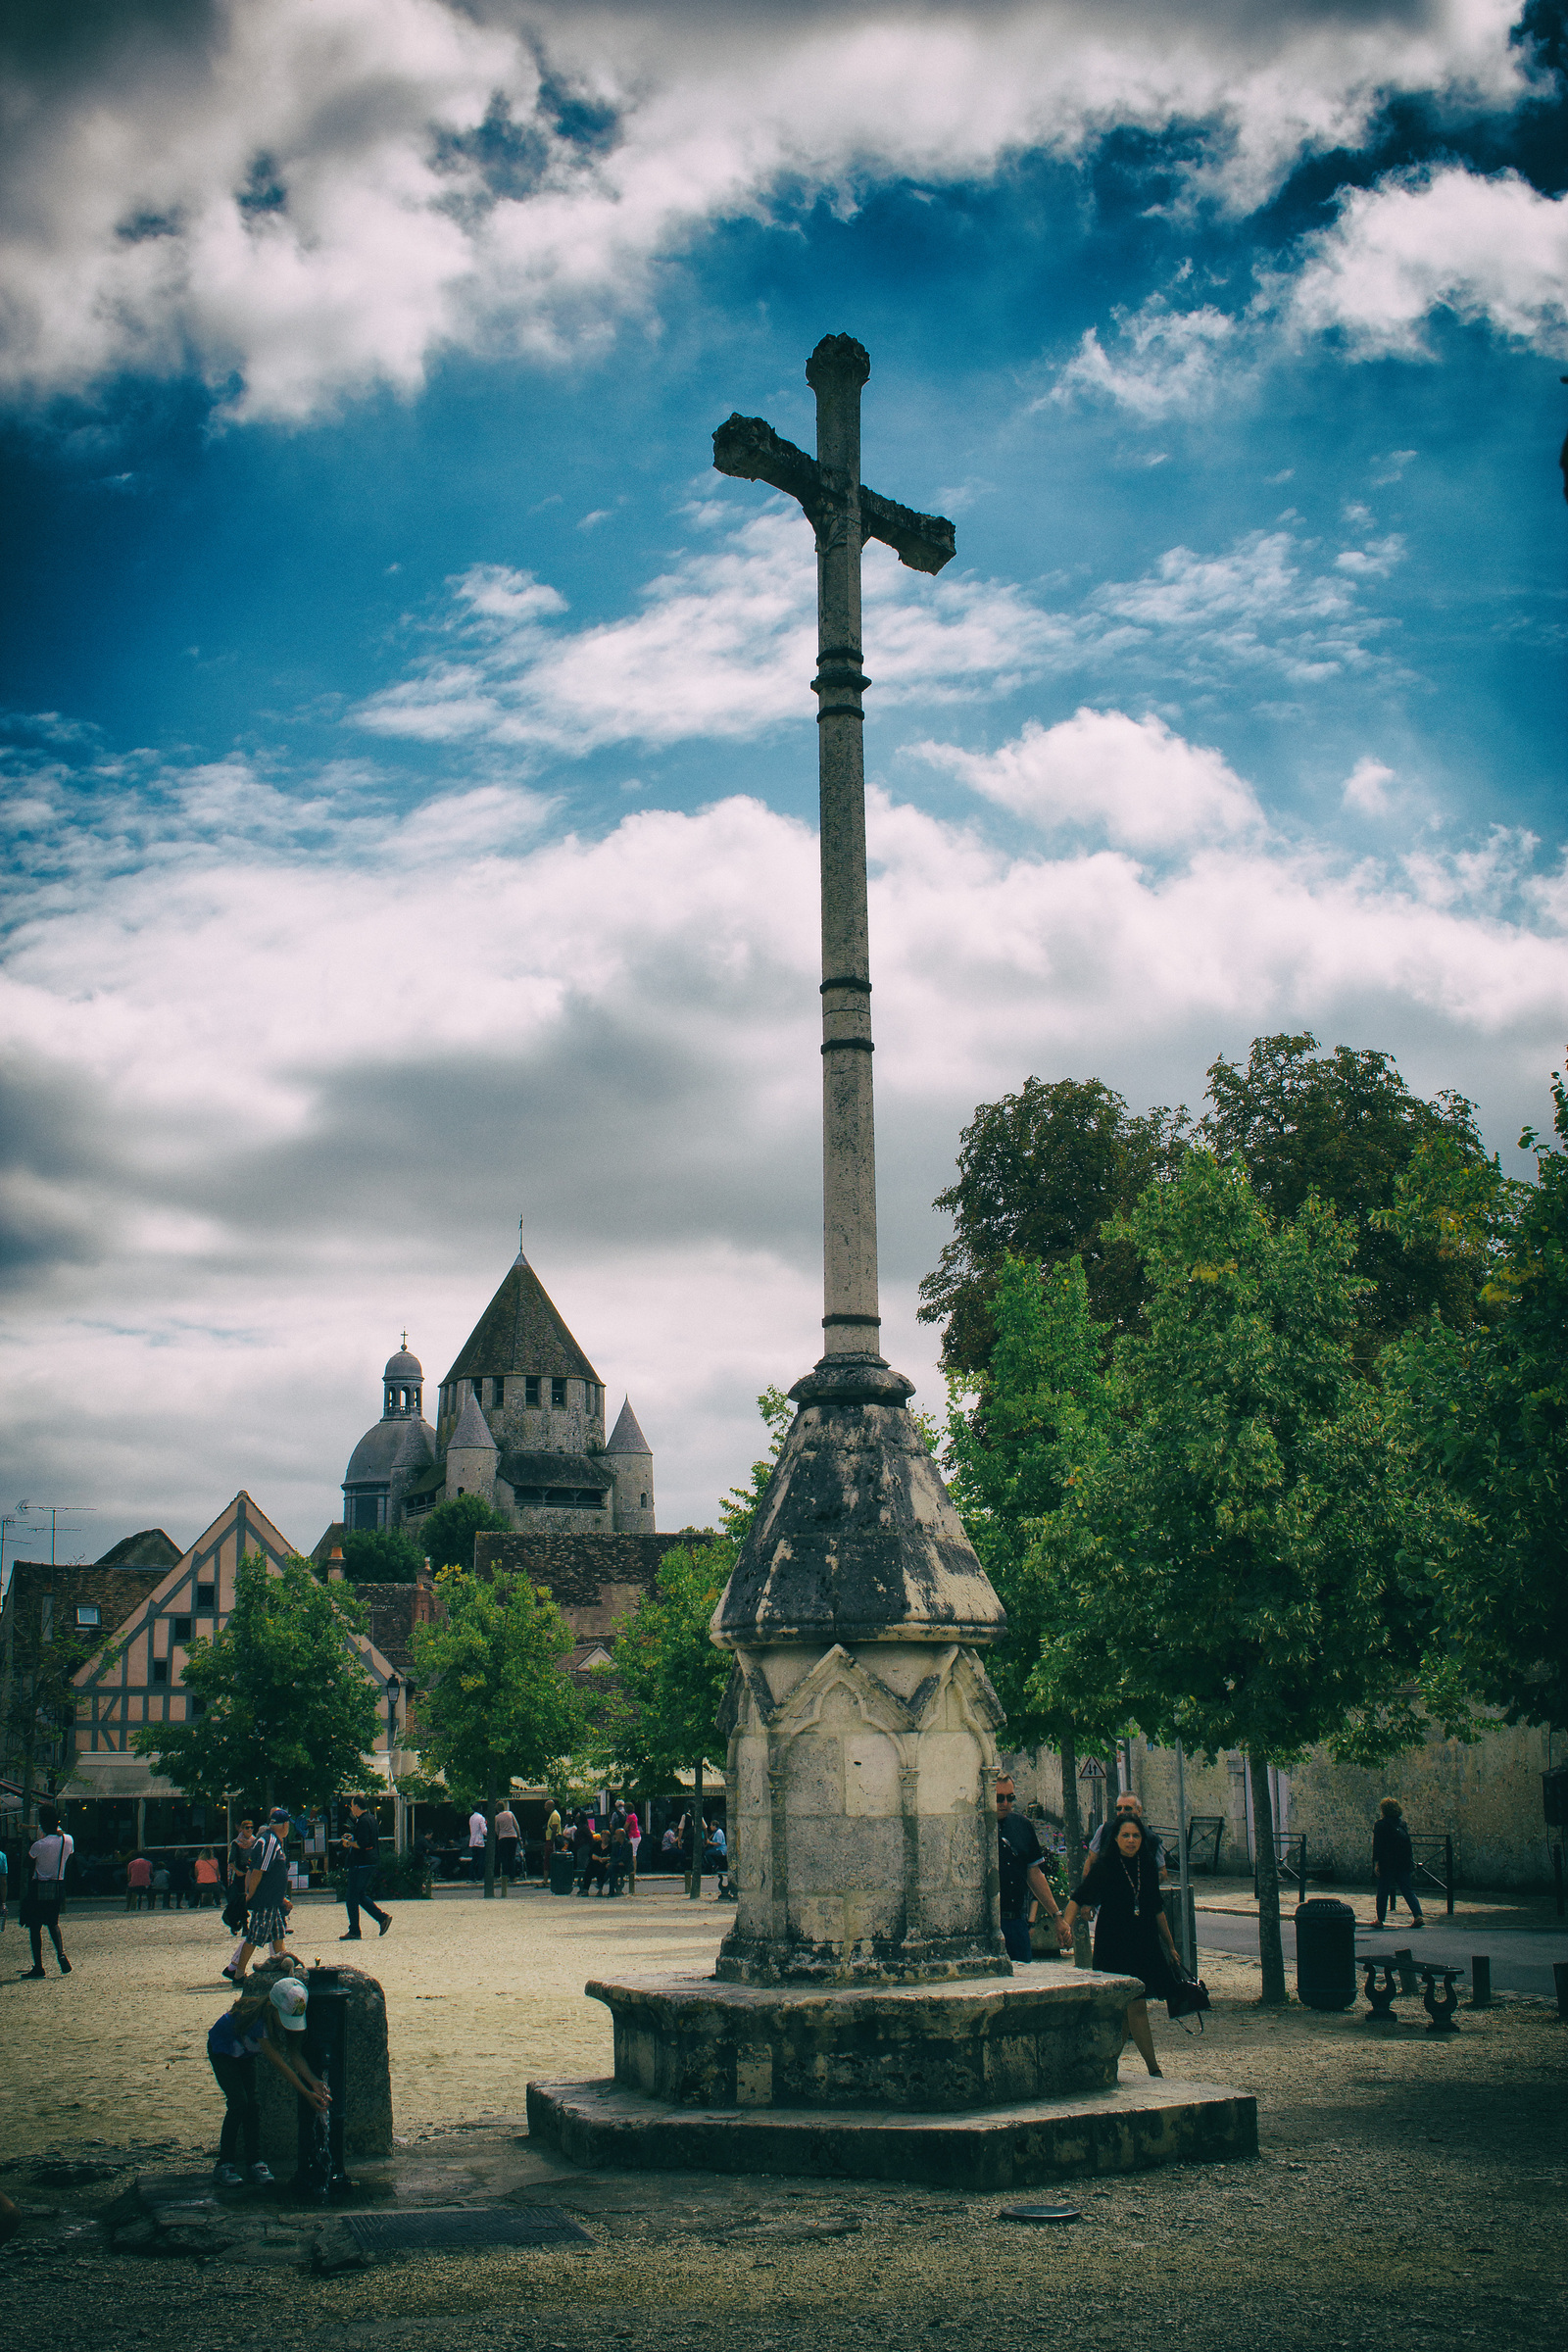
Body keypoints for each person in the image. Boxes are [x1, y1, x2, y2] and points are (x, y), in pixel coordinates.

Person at [1060, 1816, 1180, 2078]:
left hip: (1144, 1942)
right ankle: (1154, 2069)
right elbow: (1079, 1897)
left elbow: (1157, 1909)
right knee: (1133, 2005)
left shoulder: (1147, 1866)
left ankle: (1109, 2063)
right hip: (1114, 1944)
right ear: (1115, 1838)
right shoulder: (1105, 1866)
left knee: (1127, 2011)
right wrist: (1065, 1927)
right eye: (1125, 1836)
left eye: (1135, 1836)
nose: (1131, 1841)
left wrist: (1170, 1946)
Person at [208, 1975, 330, 2186]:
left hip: (245, 2053)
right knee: (239, 2104)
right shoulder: (259, 2022)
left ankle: (254, 2161)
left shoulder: (284, 2017)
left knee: (253, 2105)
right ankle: (224, 2164)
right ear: (273, 2009)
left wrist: (314, 2081)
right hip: (223, 2049)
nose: (286, 2026)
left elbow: (295, 2055)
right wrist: (306, 2093)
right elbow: (281, 2064)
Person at [995, 1777, 1068, 1964]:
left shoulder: (1022, 1825)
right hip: (988, 1925)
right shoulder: (976, 1826)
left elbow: (1034, 1874)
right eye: (999, 1798)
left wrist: (1057, 1916)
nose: (1005, 1804)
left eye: (1010, 1798)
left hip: (1016, 1924)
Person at [232, 1807, 295, 1980]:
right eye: (288, 1823)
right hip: (265, 1900)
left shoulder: (267, 1839)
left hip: (272, 1900)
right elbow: (259, 1871)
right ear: (283, 1825)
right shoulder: (271, 1842)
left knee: (278, 1936)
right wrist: (250, 1895)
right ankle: (238, 1974)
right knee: (254, 1937)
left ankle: (284, 1970)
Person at [21, 1804, 74, 1978]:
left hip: (39, 1886)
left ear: (42, 1823)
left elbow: (27, 1864)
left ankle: (39, 1966)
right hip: (58, 1883)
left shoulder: (39, 1844)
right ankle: (60, 1953)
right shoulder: (68, 1840)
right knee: (53, 1922)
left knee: (35, 1928)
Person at [339, 1795, 391, 1941]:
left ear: (356, 1806)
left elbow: (361, 1843)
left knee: (351, 1896)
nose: (351, 1808)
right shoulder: (372, 1819)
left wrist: (348, 1843)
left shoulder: (362, 1821)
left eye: (351, 1805)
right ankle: (382, 1918)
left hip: (360, 1863)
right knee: (359, 1895)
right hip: (371, 1861)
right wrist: (352, 1837)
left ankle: (355, 1930)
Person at [1088, 1790, 1170, 1880]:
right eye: (1119, 1808)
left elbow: (1162, 1871)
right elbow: (1090, 1863)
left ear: (1139, 1810)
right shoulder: (1104, 1830)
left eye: (1127, 1808)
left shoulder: (1151, 1838)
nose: (1122, 1812)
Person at [1371, 1796, 1425, 1929]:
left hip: (1387, 1863)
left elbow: (1378, 1846)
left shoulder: (1380, 1825)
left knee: (1383, 1891)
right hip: (1403, 1862)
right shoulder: (1402, 1824)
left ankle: (1380, 1920)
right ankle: (1418, 1915)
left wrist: (1376, 1863)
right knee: (1407, 1890)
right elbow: (1407, 1845)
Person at [494, 1804, 520, 1884]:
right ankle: (512, 1876)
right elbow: (516, 1826)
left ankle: (505, 1875)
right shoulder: (510, 1814)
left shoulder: (497, 1817)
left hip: (503, 1837)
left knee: (504, 1858)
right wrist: (519, 1836)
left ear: (497, 1809)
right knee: (511, 1857)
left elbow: (496, 1829)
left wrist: (499, 1835)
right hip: (512, 1836)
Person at [607, 1817, 631, 1897]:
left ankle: (602, 1883)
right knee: (613, 1871)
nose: (615, 1836)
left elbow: (626, 1857)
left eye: (616, 1834)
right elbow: (612, 1855)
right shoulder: (615, 1844)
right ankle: (611, 1892)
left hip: (625, 1865)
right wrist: (615, 1862)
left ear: (621, 1836)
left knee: (612, 1868)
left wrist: (616, 1862)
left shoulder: (628, 1844)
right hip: (616, 1864)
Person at [624, 1804, 641, 1887]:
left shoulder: (630, 1816)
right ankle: (632, 1872)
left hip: (633, 1836)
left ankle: (633, 1873)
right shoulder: (634, 1815)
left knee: (633, 1854)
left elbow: (625, 1827)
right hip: (636, 1835)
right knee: (633, 1854)